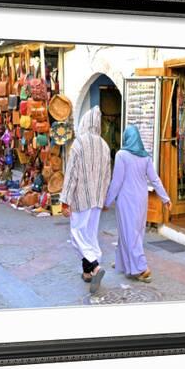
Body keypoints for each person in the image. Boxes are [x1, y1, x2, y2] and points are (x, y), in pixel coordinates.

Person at [104, 125, 172, 283]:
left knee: (129, 233)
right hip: (141, 199)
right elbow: (154, 179)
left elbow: (117, 181)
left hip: (126, 200)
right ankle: (122, 263)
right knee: (134, 232)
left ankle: (141, 268)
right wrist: (165, 198)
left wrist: (107, 201)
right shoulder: (146, 157)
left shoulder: (122, 155)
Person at [60, 106, 112, 294]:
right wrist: (104, 198)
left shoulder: (79, 143)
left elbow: (71, 174)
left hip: (81, 198)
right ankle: (88, 272)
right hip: (97, 199)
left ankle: (96, 267)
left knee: (77, 235)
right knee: (89, 235)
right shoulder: (105, 145)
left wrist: (65, 199)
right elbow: (107, 175)